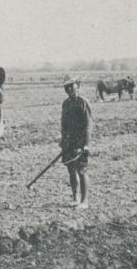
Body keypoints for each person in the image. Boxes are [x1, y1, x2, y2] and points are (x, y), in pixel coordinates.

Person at [59, 75, 92, 210]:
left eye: (71, 86)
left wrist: (86, 144)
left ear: (77, 86)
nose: (69, 89)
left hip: (80, 142)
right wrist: (63, 140)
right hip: (69, 142)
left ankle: (85, 201)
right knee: (71, 170)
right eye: (66, 87)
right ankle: (75, 198)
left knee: (82, 170)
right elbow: (63, 124)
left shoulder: (83, 102)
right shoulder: (66, 103)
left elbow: (88, 125)